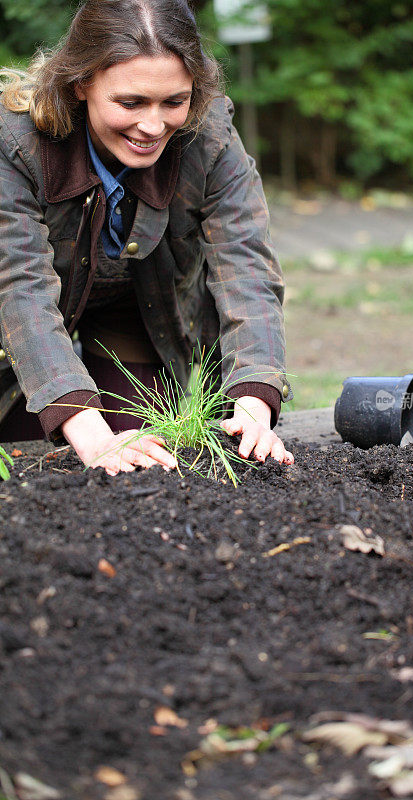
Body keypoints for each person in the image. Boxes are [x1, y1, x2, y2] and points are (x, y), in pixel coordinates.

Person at [0, 0, 294, 476]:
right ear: (80, 84)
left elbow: (246, 265)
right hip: (16, 324)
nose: (153, 127)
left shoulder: (210, 136)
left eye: (173, 102)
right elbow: (18, 285)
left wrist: (255, 398)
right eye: (130, 103)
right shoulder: (13, 141)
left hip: (133, 307)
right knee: (36, 461)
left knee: (149, 452)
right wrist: (90, 433)